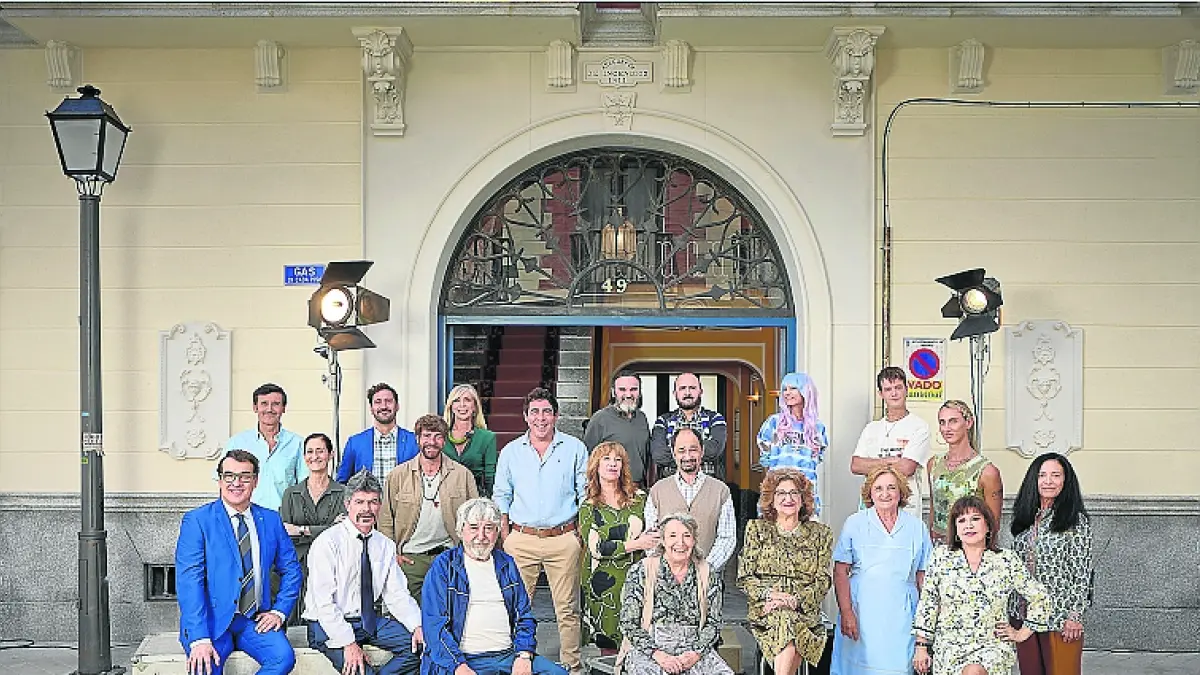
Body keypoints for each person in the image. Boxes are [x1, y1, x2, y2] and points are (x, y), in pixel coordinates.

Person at [175, 449, 303, 675]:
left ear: (255, 481)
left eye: (245, 476)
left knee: (283, 658)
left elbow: (292, 569)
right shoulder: (198, 521)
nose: (236, 483)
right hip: (210, 622)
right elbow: (189, 582)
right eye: (229, 476)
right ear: (220, 480)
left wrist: (279, 611)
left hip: (254, 620)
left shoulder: (271, 519)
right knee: (204, 667)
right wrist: (199, 638)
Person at [492, 387, 588, 673]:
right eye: (534, 412)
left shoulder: (574, 448)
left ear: (556, 416)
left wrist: (579, 534)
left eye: (547, 411)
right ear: (525, 416)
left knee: (568, 609)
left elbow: (585, 493)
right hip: (521, 539)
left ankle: (572, 667)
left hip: (563, 538)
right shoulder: (511, 452)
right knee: (515, 606)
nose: (541, 418)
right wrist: (506, 535)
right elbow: (501, 495)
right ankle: (514, 663)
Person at [421, 497, 568, 675]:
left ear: (497, 531)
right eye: (474, 527)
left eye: (489, 528)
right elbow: (434, 627)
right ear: (460, 530)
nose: (481, 536)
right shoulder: (444, 566)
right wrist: (458, 666)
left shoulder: (506, 564)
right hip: (463, 659)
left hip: (508, 656)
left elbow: (524, 616)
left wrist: (524, 655)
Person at [912, 495, 1051, 675]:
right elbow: (928, 603)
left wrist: (1022, 632)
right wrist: (921, 646)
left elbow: (1040, 597)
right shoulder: (941, 557)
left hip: (992, 646)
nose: (968, 525)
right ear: (956, 530)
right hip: (950, 647)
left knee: (974, 671)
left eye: (975, 519)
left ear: (988, 525)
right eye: (962, 521)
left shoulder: (1006, 560)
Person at [303, 470, 424, 675]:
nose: (366, 509)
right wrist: (348, 643)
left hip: (367, 622)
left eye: (373, 502)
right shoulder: (327, 542)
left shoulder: (384, 545)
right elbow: (324, 603)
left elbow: (397, 595)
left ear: (380, 505)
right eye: (359, 502)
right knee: (359, 670)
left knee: (421, 648)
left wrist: (416, 626)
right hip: (327, 624)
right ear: (347, 504)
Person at [831, 465, 932, 675]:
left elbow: (924, 578)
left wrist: (924, 627)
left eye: (891, 488)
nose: (885, 494)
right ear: (869, 493)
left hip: (902, 616)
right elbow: (840, 572)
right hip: (861, 613)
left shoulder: (917, 527)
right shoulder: (854, 523)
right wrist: (847, 612)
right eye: (878, 488)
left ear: (901, 492)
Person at [737, 468, 833, 675]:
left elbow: (823, 580)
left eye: (794, 493)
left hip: (804, 609)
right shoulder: (756, 529)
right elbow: (745, 577)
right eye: (781, 493)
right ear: (771, 500)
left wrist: (795, 600)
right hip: (766, 608)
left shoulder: (821, 534)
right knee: (785, 619)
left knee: (789, 620)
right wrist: (771, 595)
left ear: (803, 499)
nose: (788, 499)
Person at [1008, 453, 1094, 675]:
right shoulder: (1025, 518)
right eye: (1042, 475)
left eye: (1056, 475)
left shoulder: (1075, 521)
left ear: (1065, 481)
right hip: (1024, 615)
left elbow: (1082, 572)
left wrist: (1074, 616)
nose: (1048, 481)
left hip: (1059, 616)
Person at [617, 512, 732, 675]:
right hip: (651, 649)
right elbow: (628, 623)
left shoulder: (707, 572)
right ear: (663, 541)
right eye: (672, 536)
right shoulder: (642, 571)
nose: (680, 542)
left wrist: (695, 653)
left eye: (687, 536)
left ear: (694, 540)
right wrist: (658, 655)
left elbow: (714, 622)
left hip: (694, 649)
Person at [379, 414, 479, 601]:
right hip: (410, 559)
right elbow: (385, 520)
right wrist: (393, 556)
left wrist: (469, 554)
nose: (431, 442)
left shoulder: (462, 475)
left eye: (437, 436)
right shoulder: (398, 476)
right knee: (407, 614)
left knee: (448, 612)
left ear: (444, 440)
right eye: (426, 436)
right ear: (417, 439)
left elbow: (475, 517)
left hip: (448, 556)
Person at [579, 441, 660, 651]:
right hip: (602, 582)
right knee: (608, 644)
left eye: (618, 460)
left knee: (640, 638)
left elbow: (653, 532)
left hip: (637, 577)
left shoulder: (640, 498)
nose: (613, 464)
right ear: (596, 466)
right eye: (606, 459)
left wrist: (645, 541)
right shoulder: (589, 506)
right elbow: (597, 548)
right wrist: (637, 543)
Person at [644, 427, 737, 571]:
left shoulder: (721, 491)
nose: (687, 456)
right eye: (681, 450)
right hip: (667, 577)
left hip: (709, 576)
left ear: (702, 451)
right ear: (673, 453)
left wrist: (705, 568)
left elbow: (727, 538)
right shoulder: (657, 490)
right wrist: (667, 569)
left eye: (693, 449)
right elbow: (651, 537)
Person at [850, 366, 932, 519]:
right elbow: (856, 465)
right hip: (872, 508)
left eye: (898, 388)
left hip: (906, 508)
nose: (894, 393)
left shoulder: (919, 426)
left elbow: (907, 468)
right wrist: (890, 461)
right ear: (881, 394)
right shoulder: (871, 428)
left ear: (907, 389)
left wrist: (871, 464)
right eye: (888, 389)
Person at [279, 432, 347, 616]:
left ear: (331, 454)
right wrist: (328, 528)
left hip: (333, 566)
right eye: (309, 452)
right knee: (294, 618)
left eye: (320, 451)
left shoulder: (344, 493)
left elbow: (343, 532)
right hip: (297, 566)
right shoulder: (291, 494)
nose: (314, 456)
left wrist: (301, 530)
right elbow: (285, 532)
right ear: (304, 457)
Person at [927, 399, 1003, 543]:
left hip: (971, 545)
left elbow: (994, 524)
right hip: (939, 547)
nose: (947, 428)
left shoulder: (987, 471)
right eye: (942, 422)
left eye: (953, 421)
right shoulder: (933, 464)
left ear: (968, 423)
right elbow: (933, 509)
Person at [756, 372, 828, 514]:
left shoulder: (817, 428)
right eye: (784, 389)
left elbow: (817, 458)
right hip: (777, 492)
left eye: (793, 388)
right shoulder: (774, 423)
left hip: (806, 492)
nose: (787, 393)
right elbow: (765, 456)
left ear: (805, 391)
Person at [226, 383, 307, 510]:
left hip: (283, 518)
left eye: (276, 404)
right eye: (264, 403)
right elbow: (224, 484)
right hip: (246, 516)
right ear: (255, 407)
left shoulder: (298, 444)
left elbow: (304, 486)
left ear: (283, 408)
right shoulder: (236, 443)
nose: (269, 409)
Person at [650, 372, 728, 482]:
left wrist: (678, 453)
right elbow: (658, 454)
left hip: (708, 485)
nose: (687, 393)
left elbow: (714, 450)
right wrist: (696, 452)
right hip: (671, 486)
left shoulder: (715, 419)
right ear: (675, 393)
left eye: (692, 388)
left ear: (700, 391)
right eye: (682, 388)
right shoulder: (663, 421)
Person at [338, 383, 419, 483]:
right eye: (378, 402)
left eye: (388, 401)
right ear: (371, 408)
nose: (384, 406)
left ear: (397, 406)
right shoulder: (355, 443)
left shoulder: (414, 441)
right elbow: (342, 483)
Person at [584, 370, 651, 486]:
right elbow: (588, 459)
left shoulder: (642, 418)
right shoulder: (600, 419)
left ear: (640, 392)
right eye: (622, 390)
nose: (628, 395)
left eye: (633, 389)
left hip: (639, 488)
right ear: (613, 392)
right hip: (612, 487)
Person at [442, 383, 498, 496]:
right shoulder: (440, 436)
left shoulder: (487, 438)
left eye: (467, 400)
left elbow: (490, 477)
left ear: (475, 407)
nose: (462, 405)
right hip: (444, 497)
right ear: (451, 406)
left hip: (475, 498)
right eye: (457, 400)